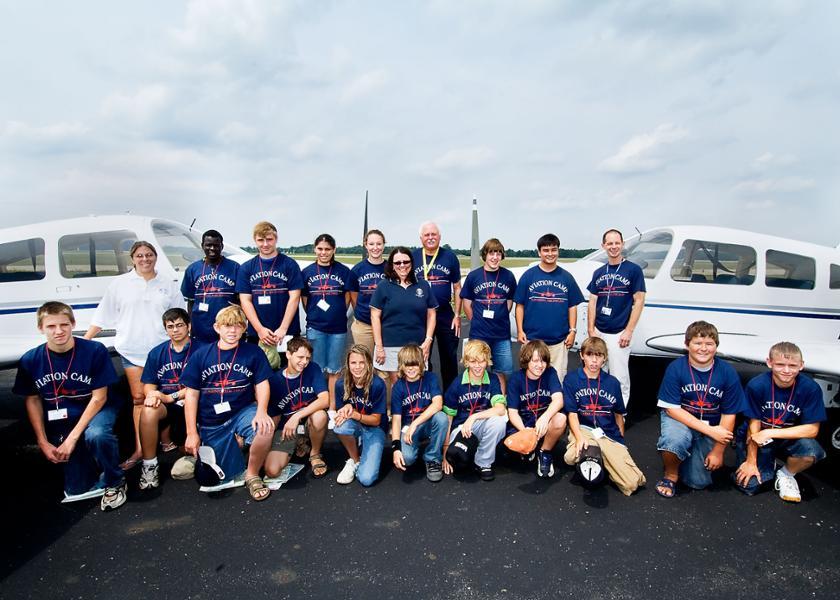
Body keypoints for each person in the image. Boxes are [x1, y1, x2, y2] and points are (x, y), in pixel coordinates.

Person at [14, 302, 126, 511]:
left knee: (96, 434)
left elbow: (99, 398)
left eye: (64, 325)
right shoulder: (31, 359)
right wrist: (43, 441)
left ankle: (115, 479)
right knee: (76, 489)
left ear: (73, 324)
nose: (59, 331)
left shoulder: (94, 350)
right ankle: (89, 462)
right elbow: (32, 399)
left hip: (96, 408)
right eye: (51, 326)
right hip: (63, 415)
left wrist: (72, 439)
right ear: (41, 328)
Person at [85, 240, 185, 470]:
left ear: (155, 257)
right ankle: (141, 448)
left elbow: (180, 315)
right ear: (133, 259)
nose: (145, 259)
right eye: (140, 255)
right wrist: (86, 340)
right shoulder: (120, 284)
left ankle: (166, 440)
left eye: (149, 255)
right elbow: (102, 315)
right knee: (140, 399)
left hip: (162, 351)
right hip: (132, 351)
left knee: (166, 395)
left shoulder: (167, 284)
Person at [179, 306, 275, 501]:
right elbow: (191, 395)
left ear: (244, 328)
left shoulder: (253, 352)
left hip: (242, 411)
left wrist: (262, 411)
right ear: (217, 327)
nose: (232, 331)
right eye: (227, 326)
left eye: (238, 326)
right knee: (209, 478)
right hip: (212, 422)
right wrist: (191, 433)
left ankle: (252, 474)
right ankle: (237, 446)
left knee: (264, 428)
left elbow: (262, 384)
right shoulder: (201, 355)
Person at [655, 321, 745, 498]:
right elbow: (672, 410)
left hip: (711, 424)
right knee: (674, 442)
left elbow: (729, 414)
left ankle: (689, 452)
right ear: (687, 344)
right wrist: (710, 431)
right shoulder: (676, 368)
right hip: (681, 419)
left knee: (698, 482)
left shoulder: (728, 372)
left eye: (709, 344)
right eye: (697, 343)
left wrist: (719, 451)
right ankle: (671, 473)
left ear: (716, 347)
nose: (703, 349)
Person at [734, 342, 827, 503]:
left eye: (792, 365)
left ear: (801, 365)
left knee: (812, 452)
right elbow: (753, 426)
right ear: (769, 363)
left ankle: (786, 474)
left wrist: (770, 432)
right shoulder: (757, 385)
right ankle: (766, 464)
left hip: (785, 436)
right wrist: (751, 462)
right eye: (780, 364)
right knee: (749, 485)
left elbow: (812, 430)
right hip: (757, 437)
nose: (786, 370)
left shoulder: (810, 388)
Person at [563, 337, 646, 495]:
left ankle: (602, 460)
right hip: (584, 428)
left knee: (631, 484)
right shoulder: (572, 379)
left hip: (607, 432)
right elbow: (572, 414)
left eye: (599, 356)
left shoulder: (612, 382)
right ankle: (596, 458)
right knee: (570, 456)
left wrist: (620, 439)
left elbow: (619, 413)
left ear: (605, 358)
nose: (594, 360)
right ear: (582, 355)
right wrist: (579, 437)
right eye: (589, 355)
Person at [137, 308, 200, 490]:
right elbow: (148, 383)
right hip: (167, 404)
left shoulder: (203, 349)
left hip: (195, 403)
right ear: (165, 329)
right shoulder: (157, 353)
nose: (175, 330)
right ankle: (149, 465)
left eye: (180, 325)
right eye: (170, 326)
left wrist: (169, 396)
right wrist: (152, 395)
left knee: (186, 450)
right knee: (148, 410)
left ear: (188, 326)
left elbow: (199, 386)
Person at [586, 229, 646, 408]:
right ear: (603, 246)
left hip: (619, 332)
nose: (613, 247)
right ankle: (599, 409)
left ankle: (620, 414)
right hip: (599, 331)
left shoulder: (633, 270)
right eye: (609, 243)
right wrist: (591, 329)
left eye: (617, 243)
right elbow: (593, 300)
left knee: (619, 376)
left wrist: (628, 331)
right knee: (597, 371)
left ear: (623, 244)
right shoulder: (598, 272)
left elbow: (639, 300)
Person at [514, 233, 584, 380]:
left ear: (558, 251)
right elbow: (519, 305)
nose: (550, 253)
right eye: (546, 250)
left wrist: (572, 331)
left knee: (557, 381)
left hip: (558, 342)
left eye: (554, 249)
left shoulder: (566, 277)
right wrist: (520, 330)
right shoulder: (528, 276)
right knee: (531, 381)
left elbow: (572, 306)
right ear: (539, 252)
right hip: (532, 341)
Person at [442, 339, 507, 481]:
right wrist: (445, 451)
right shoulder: (458, 383)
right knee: (458, 458)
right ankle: (472, 450)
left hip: (479, 424)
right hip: (460, 428)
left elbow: (501, 409)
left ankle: (483, 462)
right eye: (473, 362)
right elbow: (448, 418)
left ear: (487, 362)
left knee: (500, 421)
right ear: (466, 362)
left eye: (481, 361)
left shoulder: (493, 379)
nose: (477, 366)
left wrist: (473, 418)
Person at [265, 337, 330, 480]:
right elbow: (274, 415)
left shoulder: (312, 368)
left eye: (307, 358)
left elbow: (325, 399)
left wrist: (297, 416)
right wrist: (267, 442)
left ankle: (314, 454)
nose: (304, 362)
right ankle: (300, 443)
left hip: (307, 422)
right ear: (288, 354)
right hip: (287, 428)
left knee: (320, 416)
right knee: (272, 471)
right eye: (300, 357)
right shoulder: (275, 381)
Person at [370, 247, 437, 383]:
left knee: (416, 385)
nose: (402, 266)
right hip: (391, 345)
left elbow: (431, 314)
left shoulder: (423, 285)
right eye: (398, 263)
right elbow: (375, 317)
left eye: (406, 262)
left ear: (411, 263)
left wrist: (428, 341)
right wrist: (379, 347)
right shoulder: (384, 286)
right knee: (398, 386)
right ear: (392, 266)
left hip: (417, 346)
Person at [236, 221, 303, 356]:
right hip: (258, 333)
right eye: (260, 240)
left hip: (286, 332)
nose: (265, 244)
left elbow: (294, 297)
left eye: (269, 239)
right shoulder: (247, 268)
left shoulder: (289, 264)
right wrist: (259, 329)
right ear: (255, 240)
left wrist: (283, 328)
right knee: (259, 373)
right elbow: (245, 301)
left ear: (276, 239)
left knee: (288, 371)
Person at [301, 233, 353, 404]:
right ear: (315, 249)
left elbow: (346, 298)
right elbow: (305, 300)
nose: (323, 252)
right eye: (320, 249)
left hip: (337, 329)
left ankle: (332, 405)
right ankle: (315, 404)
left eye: (327, 249)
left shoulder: (344, 271)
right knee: (314, 368)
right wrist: (315, 314)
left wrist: (337, 313)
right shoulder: (307, 272)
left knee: (334, 370)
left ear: (334, 250)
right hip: (315, 327)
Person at [460, 238, 517, 391]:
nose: (495, 257)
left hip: (501, 334)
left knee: (503, 371)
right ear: (485, 255)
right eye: (491, 253)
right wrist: (476, 320)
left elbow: (509, 301)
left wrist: (500, 315)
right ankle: (479, 401)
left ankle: (501, 400)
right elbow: (466, 302)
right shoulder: (474, 276)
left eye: (498, 254)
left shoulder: (508, 276)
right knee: (477, 370)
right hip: (479, 334)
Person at [506, 340, 567, 478]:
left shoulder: (550, 373)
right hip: (524, 423)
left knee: (560, 419)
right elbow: (512, 412)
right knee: (513, 452)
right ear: (526, 360)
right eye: (535, 361)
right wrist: (524, 433)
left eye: (543, 361)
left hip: (544, 423)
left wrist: (545, 418)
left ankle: (544, 451)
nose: (540, 365)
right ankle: (530, 446)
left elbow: (559, 400)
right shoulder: (516, 379)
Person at [412, 222, 462, 390]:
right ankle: (426, 395)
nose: (431, 237)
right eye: (427, 235)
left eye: (434, 234)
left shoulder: (450, 257)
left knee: (449, 357)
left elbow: (457, 287)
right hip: (420, 315)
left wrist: (457, 315)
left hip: (445, 314)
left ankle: (451, 400)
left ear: (439, 237)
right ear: (421, 238)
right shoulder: (413, 257)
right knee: (422, 356)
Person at [390, 344, 448, 482]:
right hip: (407, 427)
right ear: (401, 366)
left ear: (421, 364)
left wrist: (415, 424)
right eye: (407, 365)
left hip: (424, 423)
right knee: (407, 459)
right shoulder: (398, 387)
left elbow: (438, 403)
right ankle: (414, 447)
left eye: (415, 364)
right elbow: (396, 420)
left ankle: (432, 458)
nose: (411, 368)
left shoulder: (430, 378)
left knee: (441, 418)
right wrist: (396, 448)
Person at [333, 345, 388, 486]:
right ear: (348, 364)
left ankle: (365, 446)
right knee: (339, 427)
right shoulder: (341, 383)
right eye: (353, 363)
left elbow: (376, 421)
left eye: (361, 362)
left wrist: (355, 414)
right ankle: (355, 460)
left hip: (375, 428)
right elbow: (340, 414)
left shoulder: (377, 384)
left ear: (369, 363)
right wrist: (344, 409)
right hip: (355, 424)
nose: (357, 367)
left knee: (366, 479)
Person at [180, 229, 240, 343]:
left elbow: (241, 299)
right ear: (202, 246)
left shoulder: (235, 268)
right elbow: (191, 301)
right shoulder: (192, 269)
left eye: (216, 245)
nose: (212, 248)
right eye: (208, 245)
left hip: (228, 327)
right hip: (201, 328)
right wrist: (190, 324)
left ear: (222, 246)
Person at [349, 229, 387, 355]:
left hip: (387, 324)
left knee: (386, 365)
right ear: (366, 245)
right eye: (371, 244)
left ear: (384, 244)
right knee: (365, 362)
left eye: (379, 244)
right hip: (364, 325)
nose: (375, 247)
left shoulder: (392, 269)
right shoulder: (357, 270)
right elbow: (354, 298)